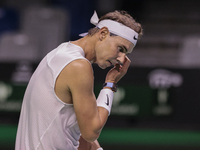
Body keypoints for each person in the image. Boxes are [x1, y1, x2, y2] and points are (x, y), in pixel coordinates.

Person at [15, 10, 143, 150]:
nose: (121, 59)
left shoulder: (62, 52)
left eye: (126, 53)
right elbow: (91, 132)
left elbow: (80, 132)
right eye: (120, 49)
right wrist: (110, 84)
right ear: (103, 34)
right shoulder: (78, 65)